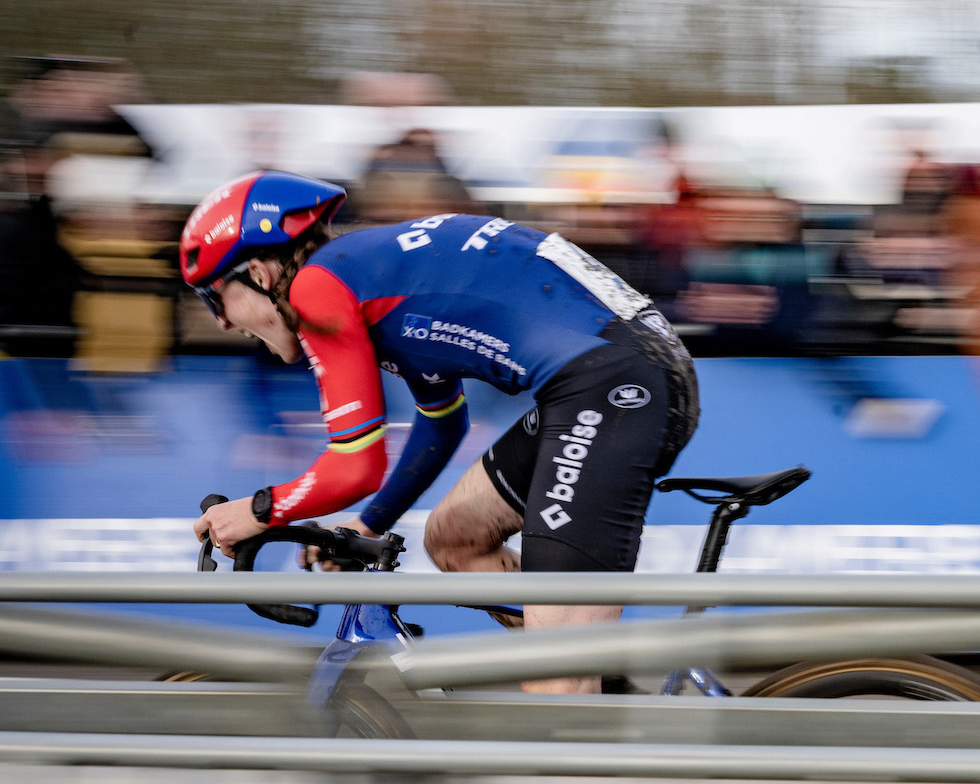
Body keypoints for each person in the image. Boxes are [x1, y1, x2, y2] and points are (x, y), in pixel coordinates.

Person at [182, 171, 699, 693]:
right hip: (620, 374)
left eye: (213, 297)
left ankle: (578, 697)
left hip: (610, 385)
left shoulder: (318, 286)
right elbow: (442, 422)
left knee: (554, 679)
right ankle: (601, 691)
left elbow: (356, 464)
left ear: (259, 273)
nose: (221, 323)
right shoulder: (363, 276)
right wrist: (369, 524)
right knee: (453, 538)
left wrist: (257, 511)